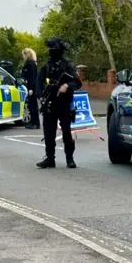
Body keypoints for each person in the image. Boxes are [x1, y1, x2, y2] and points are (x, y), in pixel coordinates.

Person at [36, 37, 82, 169]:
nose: (51, 52)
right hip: (49, 102)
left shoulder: (67, 64)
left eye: (53, 49)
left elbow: (77, 82)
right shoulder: (47, 65)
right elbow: (38, 81)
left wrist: (67, 85)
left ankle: (70, 159)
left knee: (66, 132)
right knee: (48, 133)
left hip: (63, 102)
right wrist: (40, 96)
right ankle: (50, 159)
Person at [21, 48, 40, 129]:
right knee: (31, 105)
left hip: (31, 86)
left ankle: (35, 123)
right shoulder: (31, 63)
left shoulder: (31, 64)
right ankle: (33, 122)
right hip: (30, 85)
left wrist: (31, 89)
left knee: (33, 105)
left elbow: (32, 77)